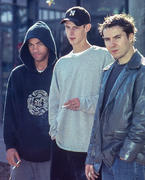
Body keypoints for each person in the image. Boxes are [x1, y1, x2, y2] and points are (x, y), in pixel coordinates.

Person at [85, 14, 145, 180]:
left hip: (132, 161)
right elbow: (98, 119)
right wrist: (92, 156)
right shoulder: (107, 71)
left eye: (117, 37)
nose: (111, 44)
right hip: (108, 159)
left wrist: (124, 156)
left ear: (130, 37)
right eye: (107, 39)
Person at [48, 6, 114, 180]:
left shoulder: (104, 57)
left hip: (91, 148)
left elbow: (113, 98)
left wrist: (85, 103)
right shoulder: (61, 63)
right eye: (67, 27)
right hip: (62, 144)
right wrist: (54, 131)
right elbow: (53, 101)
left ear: (87, 28)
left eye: (76, 27)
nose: (71, 32)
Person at [3, 21, 57, 180]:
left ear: (48, 45)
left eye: (39, 44)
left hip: (52, 155)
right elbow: (9, 114)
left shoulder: (59, 72)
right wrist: (10, 146)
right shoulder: (17, 75)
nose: (35, 49)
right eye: (31, 45)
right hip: (23, 155)